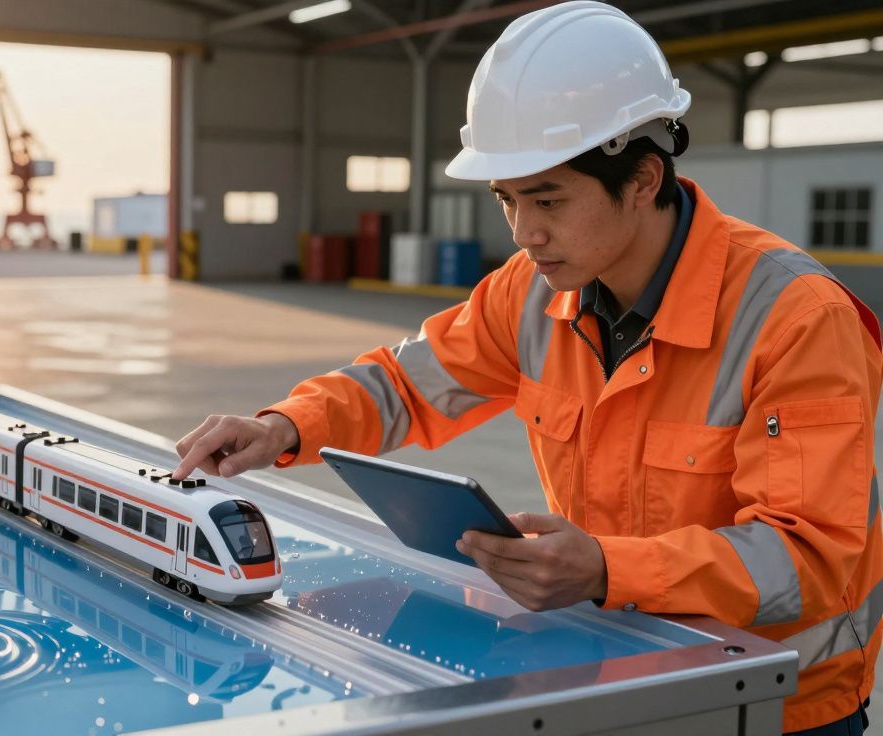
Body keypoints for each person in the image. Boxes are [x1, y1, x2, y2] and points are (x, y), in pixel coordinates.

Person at [170, 3, 882, 734]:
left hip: (779, 707)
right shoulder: (535, 291)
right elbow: (407, 384)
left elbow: (812, 559)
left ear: (641, 178)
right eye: (507, 199)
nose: (524, 232)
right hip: (615, 669)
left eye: (547, 199)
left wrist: (607, 569)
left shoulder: (794, 318)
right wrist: (282, 425)